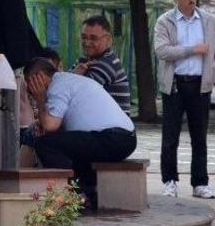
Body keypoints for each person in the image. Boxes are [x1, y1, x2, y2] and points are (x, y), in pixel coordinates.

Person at [154, 0, 215, 199]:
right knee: (170, 136)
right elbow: (162, 51)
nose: (192, 0)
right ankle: (169, 181)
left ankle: (200, 183)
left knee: (199, 136)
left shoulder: (207, 21)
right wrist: (192, 50)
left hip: (200, 85)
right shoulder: (166, 21)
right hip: (175, 84)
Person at [23, 57, 136, 210]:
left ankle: (73, 195)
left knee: (46, 144)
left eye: (31, 84)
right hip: (124, 138)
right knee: (70, 146)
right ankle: (88, 194)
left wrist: (40, 98)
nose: (30, 90)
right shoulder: (69, 80)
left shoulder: (58, 86)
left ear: (39, 77)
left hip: (112, 138)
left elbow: (50, 125)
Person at [73, 15, 131, 114]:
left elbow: (75, 93)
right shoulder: (84, 59)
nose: (87, 43)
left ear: (108, 39)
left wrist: (74, 75)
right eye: (84, 37)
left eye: (93, 38)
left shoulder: (107, 63)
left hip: (113, 126)